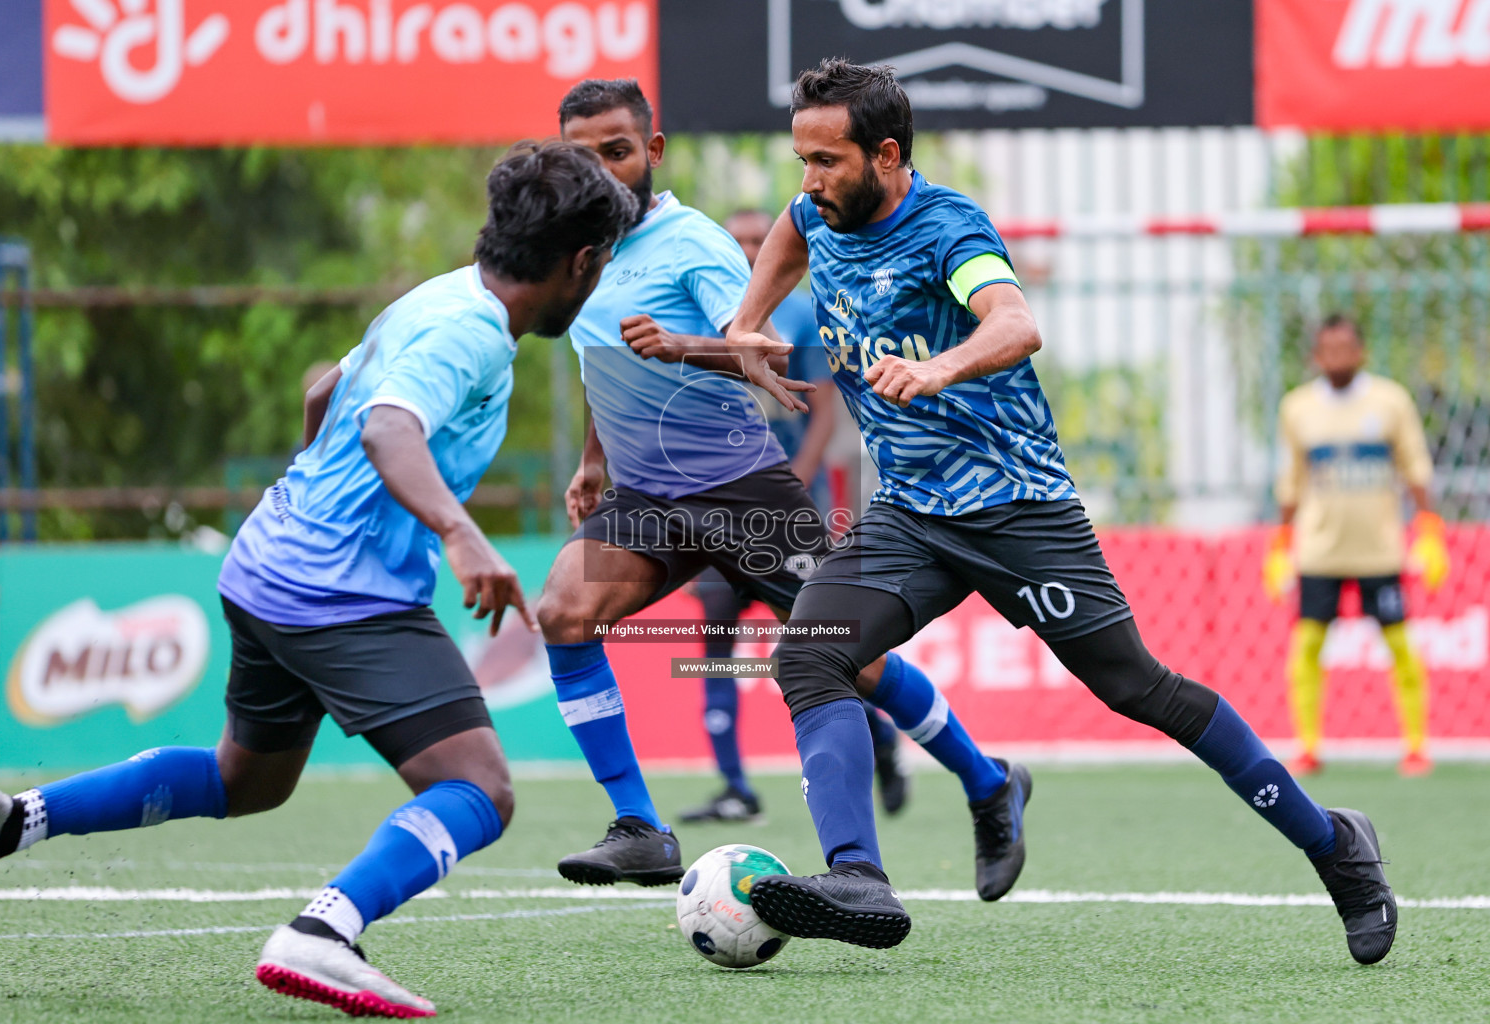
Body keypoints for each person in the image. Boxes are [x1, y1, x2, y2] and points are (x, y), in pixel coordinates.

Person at [723, 59, 1397, 965]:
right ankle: (858, 878)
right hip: (912, 516)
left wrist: (937, 366)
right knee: (810, 656)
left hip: (1017, 509)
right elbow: (789, 234)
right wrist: (745, 321)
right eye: (801, 159)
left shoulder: (948, 228)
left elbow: (1014, 323)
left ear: (886, 155)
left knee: (1138, 690)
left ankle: (1338, 849)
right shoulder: (817, 209)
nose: (808, 181)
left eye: (827, 161)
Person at [0, 141, 636, 1019]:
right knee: (480, 788)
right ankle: (324, 934)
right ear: (580, 261)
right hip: (339, 591)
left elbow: (325, 392)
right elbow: (390, 429)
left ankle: (9, 822)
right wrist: (463, 538)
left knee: (248, 780)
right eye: (603, 262)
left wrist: (312, 497)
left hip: (267, 562)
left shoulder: (436, 295)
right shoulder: (471, 335)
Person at [539, 79, 1023, 898]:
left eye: (616, 152)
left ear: (651, 154)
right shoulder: (586, 258)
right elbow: (608, 361)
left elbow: (759, 351)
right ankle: (640, 829)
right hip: (650, 499)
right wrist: (593, 459)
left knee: (853, 664)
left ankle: (987, 781)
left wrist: (681, 346)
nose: (600, 171)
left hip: (740, 490)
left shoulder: (691, 243)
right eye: (581, 157)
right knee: (561, 613)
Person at [678, 208, 908, 826]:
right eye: (741, 241)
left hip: (785, 507)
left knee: (820, 645)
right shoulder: (708, 316)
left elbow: (825, 411)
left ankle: (884, 743)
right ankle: (733, 786)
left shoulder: (803, 314)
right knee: (715, 635)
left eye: (761, 239)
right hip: (724, 509)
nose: (752, 249)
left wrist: (795, 481)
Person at [1264, 314, 1448, 778]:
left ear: (1361, 351)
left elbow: (1415, 466)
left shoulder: (1389, 401)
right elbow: (1292, 479)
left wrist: (1428, 528)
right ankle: (1307, 748)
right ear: (1315, 356)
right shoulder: (1298, 408)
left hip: (1379, 550)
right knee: (1306, 646)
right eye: (1328, 350)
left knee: (1402, 644)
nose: (1337, 358)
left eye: (1345, 349)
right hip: (1319, 551)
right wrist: (1282, 542)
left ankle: (1416, 746)